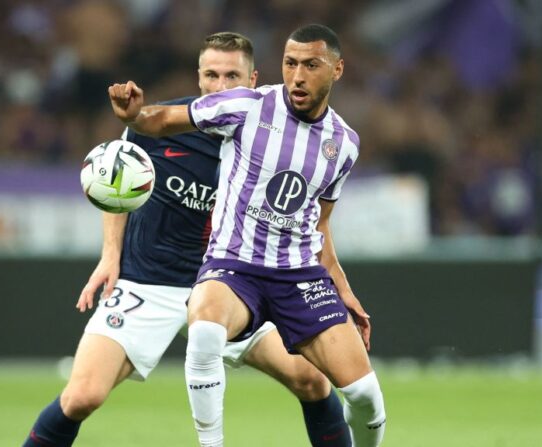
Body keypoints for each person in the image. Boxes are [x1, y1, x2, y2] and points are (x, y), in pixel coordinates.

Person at [23, 32, 351, 447]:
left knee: (313, 380)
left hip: (232, 286)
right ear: (198, 78)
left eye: (232, 76)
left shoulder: (274, 134)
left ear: (253, 80)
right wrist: (110, 257)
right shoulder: (165, 122)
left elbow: (311, 215)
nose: (220, 86)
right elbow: (115, 181)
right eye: (211, 75)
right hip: (149, 279)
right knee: (82, 396)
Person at [108, 24, 386, 447]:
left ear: (337, 69)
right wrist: (133, 116)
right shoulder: (247, 105)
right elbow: (163, 120)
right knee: (203, 329)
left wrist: (342, 289)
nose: (297, 76)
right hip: (234, 267)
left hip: (299, 277)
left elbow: (319, 225)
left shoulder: (344, 144)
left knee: (364, 396)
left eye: (311, 65)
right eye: (290, 64)